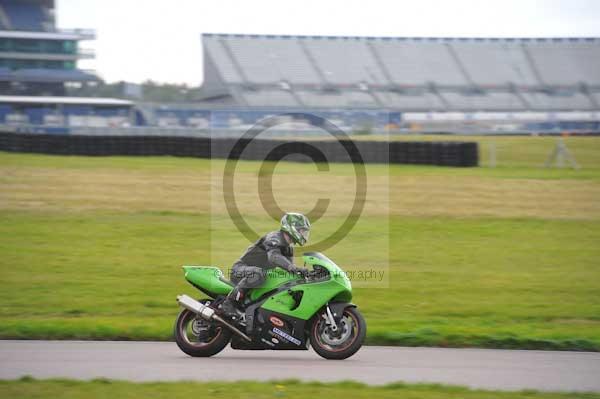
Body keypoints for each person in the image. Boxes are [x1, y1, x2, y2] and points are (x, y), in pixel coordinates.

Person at [220, 212, 311, 316]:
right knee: (258, 274)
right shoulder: (274, 237)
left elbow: (289, 272)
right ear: (292, 228)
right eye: (302, 231)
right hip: (239, 270)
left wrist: (303, 275)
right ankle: (229, 303)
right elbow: (274, 257)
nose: (304, 234)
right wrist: (292, 267)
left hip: (258, 277)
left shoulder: (288, 249)